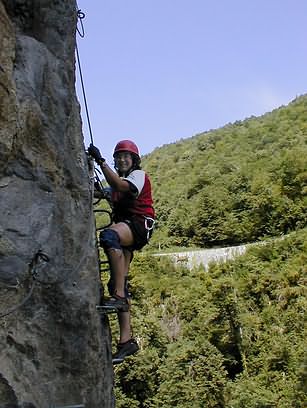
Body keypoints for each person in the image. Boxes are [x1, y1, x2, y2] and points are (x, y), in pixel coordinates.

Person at [88, 140, 155, 364]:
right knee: (118, 282)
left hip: (138, 224)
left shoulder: (137, 176)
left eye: (126, 157)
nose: (122, 160)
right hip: (130, 228)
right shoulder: (116, 185)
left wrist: (100, 161)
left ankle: (117, 297)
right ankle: (126, 341)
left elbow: (119, 185)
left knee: (109, 236)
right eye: (119, 157)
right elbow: (103, 190)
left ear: (134, 160)